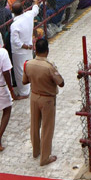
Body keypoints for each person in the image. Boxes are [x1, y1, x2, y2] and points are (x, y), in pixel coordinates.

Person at [23, 37, 65, 166]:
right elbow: (61, 83)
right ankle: (45, 157)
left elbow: (24, 81)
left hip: (34, 96)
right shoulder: (49, 67)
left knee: (34, 125)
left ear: (35, 50)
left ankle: (36, 151)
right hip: (47, 99)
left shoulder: (28, 64)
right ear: (47, 50)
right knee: (47, 127)